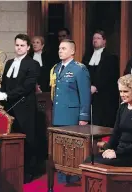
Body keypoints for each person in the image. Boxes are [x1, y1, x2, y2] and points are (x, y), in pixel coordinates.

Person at [0, 34, 41, 183]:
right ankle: (11, 169)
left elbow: (26, 87)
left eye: (22, 45)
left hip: (25, 107)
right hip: (9, 106)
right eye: (17, 45)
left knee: (26, 138)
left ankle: (28, 172)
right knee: (9, 138)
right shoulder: (10, 62)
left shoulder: (33, 64)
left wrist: (5, 95)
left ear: (28, 47)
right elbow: (4, 83)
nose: (19, 48)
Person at [84, 74, 132, 166]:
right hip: (119, 151)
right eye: (120, 91)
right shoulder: (123, 107)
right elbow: (116, 133)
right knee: (90, 160)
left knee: (102, 164)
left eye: (125, 91)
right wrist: (108, 149)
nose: (122, 95)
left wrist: (117, 153)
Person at [50, 39, 91, 183]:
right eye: (59, 48)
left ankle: (74, 177)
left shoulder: (79, 69)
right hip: (58, 114)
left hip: (72, 115)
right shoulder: (56, 68)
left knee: (72, 147)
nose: (60, 51)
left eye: (64, 48)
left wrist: (84, 116)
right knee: (60, 147)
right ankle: (62, 176)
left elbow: (85, 94)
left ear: (72, 51)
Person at [82, 30, 119, 128]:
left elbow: (111, 77)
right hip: (89, 94)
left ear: (104, 41)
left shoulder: (111, 57)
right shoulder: (87, 57)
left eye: (98, 38)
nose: (95, 40)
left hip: (104, 96)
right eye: (94, 38)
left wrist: (97, 87)